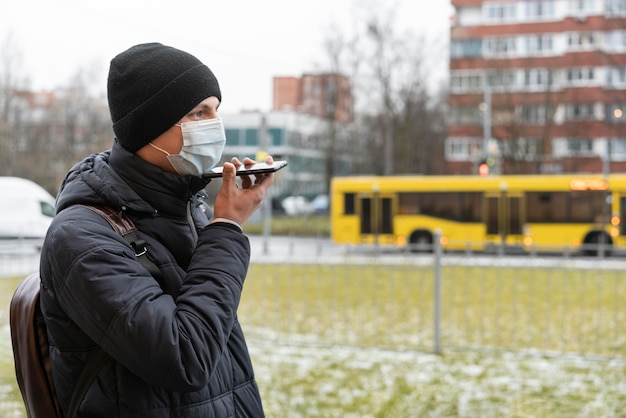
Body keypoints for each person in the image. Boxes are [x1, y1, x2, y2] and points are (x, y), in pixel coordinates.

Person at [39, 42, 272, 417]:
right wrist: (227, 225)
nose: (214, 125)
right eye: (198, 112)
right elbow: (185, 357)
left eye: (216, 110)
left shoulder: (187, 205)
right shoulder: (81, 236)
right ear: (148, 125)